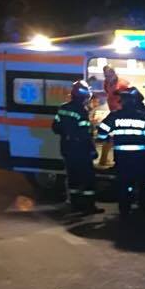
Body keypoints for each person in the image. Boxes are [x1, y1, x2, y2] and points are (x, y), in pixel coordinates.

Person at [96, 86, 145, 217]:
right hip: (141, 157)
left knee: (124, 183)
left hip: (122, 157)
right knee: (144, 182)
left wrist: (105, 138)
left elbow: (101, 131)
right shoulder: (143, 116)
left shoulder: (115, 116)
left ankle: (124, 208)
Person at [51, 80, 102, 214]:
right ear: (84, 96)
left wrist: (67, 134)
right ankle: (89, 206)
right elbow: (85, 134)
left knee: (73, 177)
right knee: (88, 178)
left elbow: (55, 128)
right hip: (81, 150)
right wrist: (92, 150)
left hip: (67, 148)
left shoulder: (63, 108)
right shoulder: (82, 111)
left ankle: (75, 204)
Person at [97, 65, 128, 168]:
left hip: (121, 113)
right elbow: (108, 94)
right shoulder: (106, 83)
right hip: (113, 112)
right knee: (110, 137)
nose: (107, 77)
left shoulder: (122, 84)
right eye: (106, 75)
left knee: (115, 137)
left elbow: (127, 98)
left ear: (114, 73)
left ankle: (111, 161)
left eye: (109, 74)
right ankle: (104, 160)